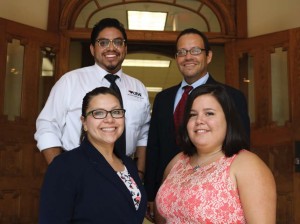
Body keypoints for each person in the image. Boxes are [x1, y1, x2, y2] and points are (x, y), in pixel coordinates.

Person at [144, 28, 250, 221]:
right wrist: (151, 193)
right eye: (182, 52)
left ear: (208, 56)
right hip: (169, 191)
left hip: (213, 195)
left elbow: (240, 145)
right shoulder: (163, 98)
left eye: (195, 51)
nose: (188, 57)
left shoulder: (232, 97)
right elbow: (154, 147)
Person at [34, 18, 151, 177]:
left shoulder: (138, 87)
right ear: (92, 49)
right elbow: (47, 126)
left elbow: (143, 134)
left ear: (125, 48)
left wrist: (140, 172)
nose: (111, 47)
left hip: (125, 171)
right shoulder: (70, 81)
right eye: (103, 42)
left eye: (117, 42)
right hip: (79, 169)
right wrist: (61, 171)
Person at [155, 84, 276, 223]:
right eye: (193, 115)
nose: (199, 120)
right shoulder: (177, 162)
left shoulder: (247, 165)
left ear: (228, 120)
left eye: (209, 113)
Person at [39, 87, 147, 223]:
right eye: (99, 113)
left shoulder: (128, 164)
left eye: (116, 112)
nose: (110, 119)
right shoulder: (65, 166)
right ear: (84, 122)